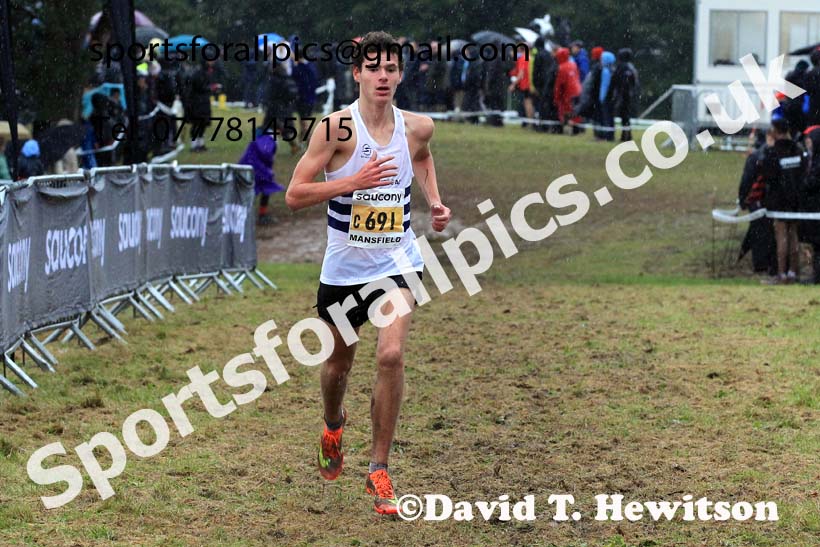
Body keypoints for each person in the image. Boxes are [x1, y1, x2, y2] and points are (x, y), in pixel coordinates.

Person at [285, 30, 451, 515]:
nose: (383, 76)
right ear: (356, 73)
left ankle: (379, 468)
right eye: (373, 67)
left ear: (400, 74)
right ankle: (334, 424)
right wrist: (352, 182)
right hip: (343, 270)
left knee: (391, 354)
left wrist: (435, 202)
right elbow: (295, 194)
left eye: (391, 68)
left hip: (398, 261)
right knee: (339, 365)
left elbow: (421, 158)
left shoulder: (418, 126)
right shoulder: (336, 129)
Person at [758, 119, 807, 283]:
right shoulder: (798, 149)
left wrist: (768, 148)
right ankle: (793, 272)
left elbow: (767, 174)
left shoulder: (774, 151)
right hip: (795, 199)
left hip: (779, 199)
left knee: (781, 237)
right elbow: (803, 172)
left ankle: (781, 273)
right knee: (793, 236)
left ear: (775, 131)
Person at [239, 131, 283, 225]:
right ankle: (259, 215)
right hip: (253, 167)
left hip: (246, 166)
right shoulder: (269, 140)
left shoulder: (262, 137)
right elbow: (265, 153)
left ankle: (245, 215)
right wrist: (268, 171)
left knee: (251, 190)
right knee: (265, 187)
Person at [800, 125, 820, 283]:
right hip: (812, 209)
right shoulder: (812, 159)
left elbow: (812, 182)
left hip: (816, 208)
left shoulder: (817, 161)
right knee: (816, 245)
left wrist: (803, 183)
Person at [611, 48, 640, 141]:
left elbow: (618, 81)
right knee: (625, 116)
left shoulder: (623, 67)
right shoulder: (630, 67)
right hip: (628, 95)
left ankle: (626, 136)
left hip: (624, 95)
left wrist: (618, 94)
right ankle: (626, 135)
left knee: (624, 116)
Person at [553, 47, 582, 134]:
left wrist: (556, 97)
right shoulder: (573, 64)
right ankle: (576, 129)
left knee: (565, 112)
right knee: (574, 112)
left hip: (568, 93)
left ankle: (567, 130)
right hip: (578, 91)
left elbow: (559, 85)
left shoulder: (562, 67)